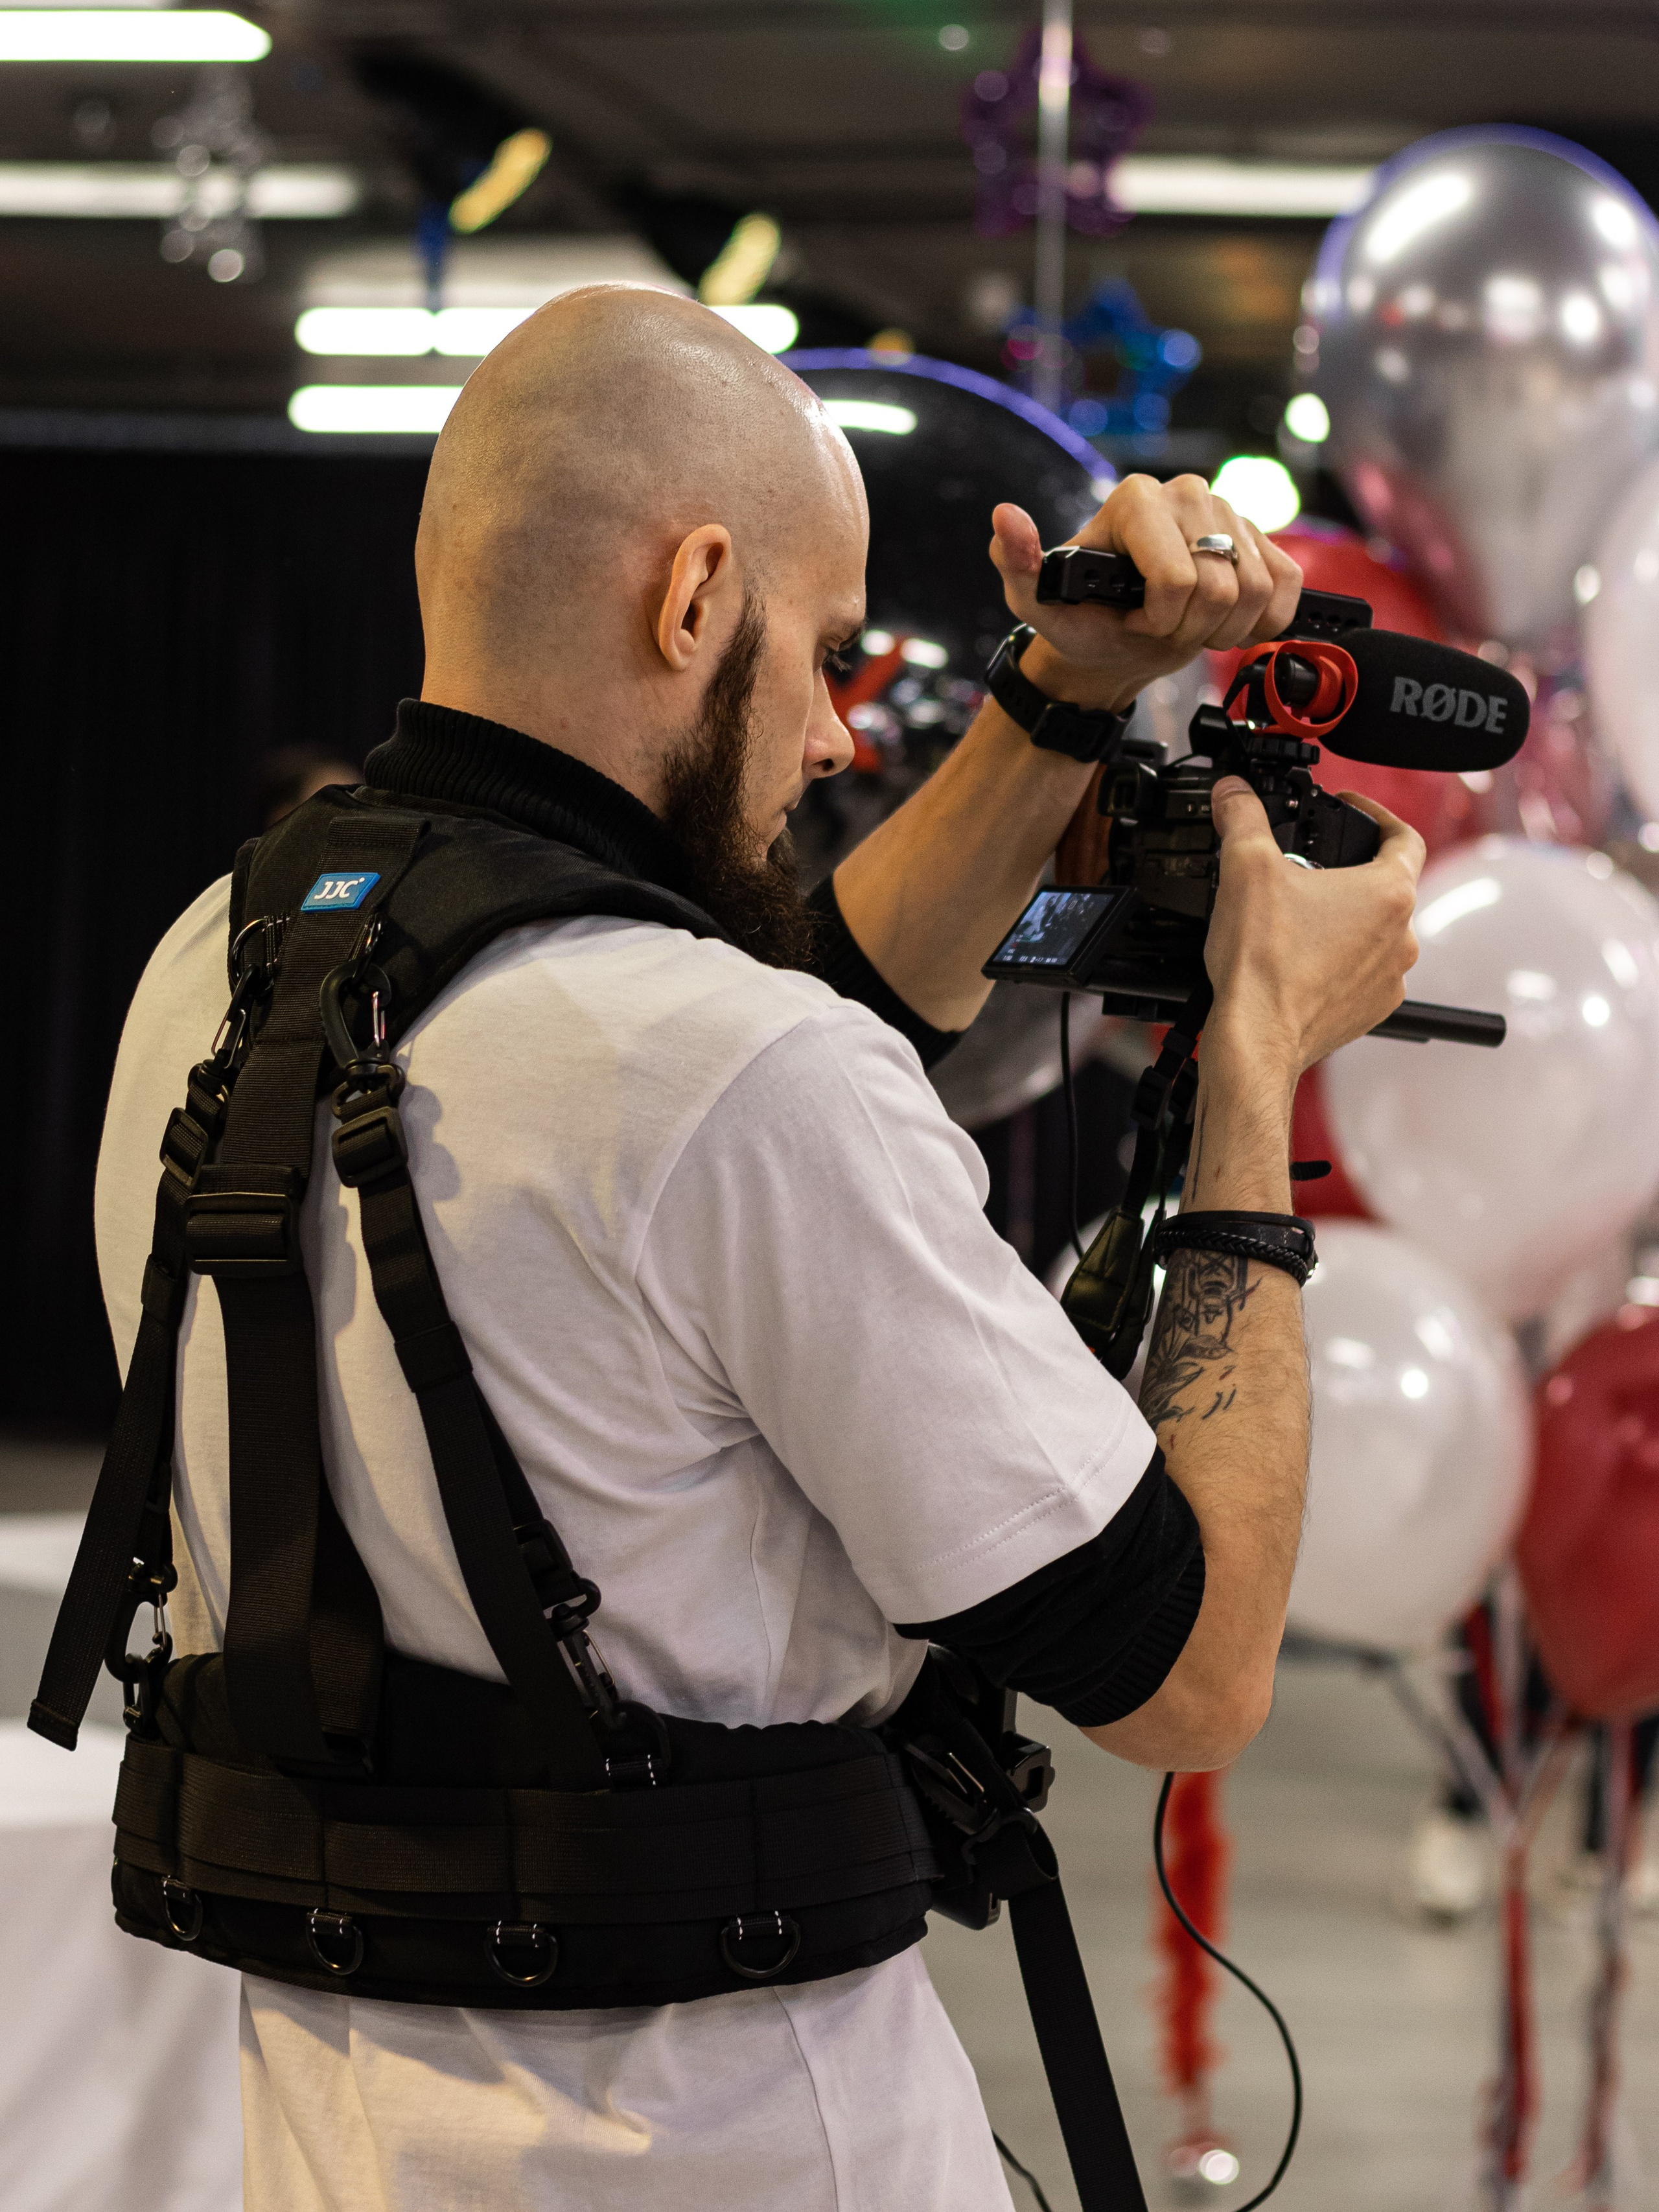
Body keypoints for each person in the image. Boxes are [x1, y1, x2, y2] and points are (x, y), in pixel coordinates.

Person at [93, 287, 1422, 2211]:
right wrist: (1255, 1067)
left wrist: (1053, 699)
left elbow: (778, 1043)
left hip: (342, 2136)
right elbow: (1191, 1678)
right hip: (750, 2145)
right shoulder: (728, 1078)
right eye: (819, 651)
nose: (829, 729)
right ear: (691, 595)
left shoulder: (211, 966)